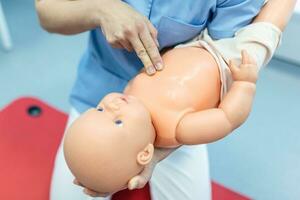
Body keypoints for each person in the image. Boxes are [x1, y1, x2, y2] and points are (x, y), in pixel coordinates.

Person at [35, 0, 296, 199]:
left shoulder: (176, 129)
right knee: (82, 174)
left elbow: (226, 53)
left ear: (147, 153)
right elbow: (229, 118)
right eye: (106, 112)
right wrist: (101, 9)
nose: (111, 104)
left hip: (204, 76)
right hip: (99, 78)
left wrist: (166, 149)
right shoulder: (179, 126)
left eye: (102, 109)